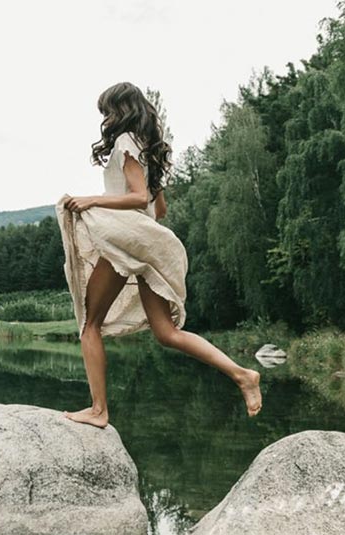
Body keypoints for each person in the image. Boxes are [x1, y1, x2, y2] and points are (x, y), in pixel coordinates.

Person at [54, 81, 262, 428]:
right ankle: (242, 374)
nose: (105, 118)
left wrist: (92, 200)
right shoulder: (150, 151)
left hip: (128, 240)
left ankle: (99, 410)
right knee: (166, 334)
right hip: (148, 242)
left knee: (89, 325)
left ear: (120, 110)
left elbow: (137, 199)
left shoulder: (124, 142)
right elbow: (158, 209)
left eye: (107, 111)